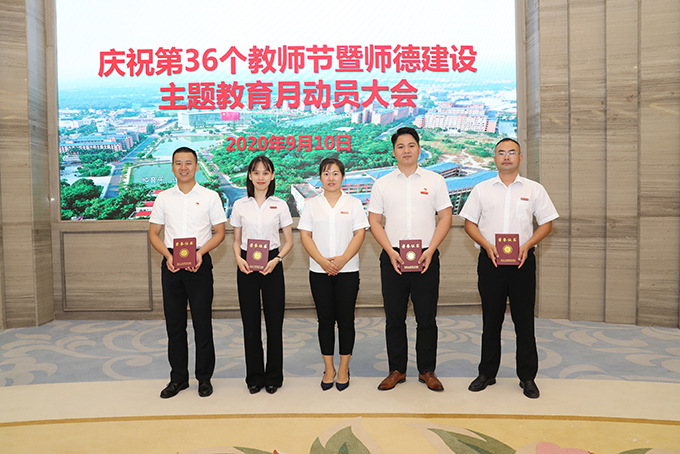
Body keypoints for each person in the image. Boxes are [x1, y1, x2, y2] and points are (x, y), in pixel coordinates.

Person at [459, 137, 558, 399]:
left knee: (524, 321)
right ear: (494, 158)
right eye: (501, 152)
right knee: (490, 320)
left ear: (520, 158)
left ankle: (527, 377)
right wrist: (486, 245)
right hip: (490, 262)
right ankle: (487, 373)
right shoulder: (481, 189)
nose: (506, 156)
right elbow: (469, 223)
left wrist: (527, 245)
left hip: (522, 262)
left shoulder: (534, 189)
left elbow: (547, 223)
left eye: (512, 152)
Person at [368, 127, 453, 392]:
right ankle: (397, 370)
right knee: (394, 318)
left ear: (419, 148)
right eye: (401, 146)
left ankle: (427, 370)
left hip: (426, 255)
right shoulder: (382, 183)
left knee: (426, 318)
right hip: (392, 256)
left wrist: (431, 250)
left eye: (411, 145)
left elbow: (446, 217)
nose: (406, 150)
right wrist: (390, 251)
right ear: (394, 151)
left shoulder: (435, 180)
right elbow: (374, 221)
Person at [149, 146, 227, 399]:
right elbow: (153, 233)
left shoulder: (210, 197)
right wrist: (168, 256)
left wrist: (201, 253)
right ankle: (178, 379)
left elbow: (220, 233)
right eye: (178, 163)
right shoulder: (163, 198)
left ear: (196, 166)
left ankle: (204, 378)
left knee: (202, 323)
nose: (183, 167)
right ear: (172, 167)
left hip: (199, 262)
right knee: (175, 324)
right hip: (172, 262)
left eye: (188, 163)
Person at [298, 157, 369, 391]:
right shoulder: (311, 204)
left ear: (343, 177)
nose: (331, 178)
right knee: (325, 321)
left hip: (348, 270)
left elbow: (360, 234)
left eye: (335, 173)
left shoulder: (354, 203)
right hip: (319, 271)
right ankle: (329, 368)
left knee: (346, 320)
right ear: (320, 177)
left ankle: (344, 368)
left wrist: (342, 259)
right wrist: (322, 261)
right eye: (326, 173)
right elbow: (305, 235)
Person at [230, 155, 293, 395]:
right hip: (246, 264)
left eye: (265, 172)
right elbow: (236, 240)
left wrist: (277, 260)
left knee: (274, 322)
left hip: (273, 263)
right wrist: (238, 258)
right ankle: (254, 377)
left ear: (272, 176)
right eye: (256, 172)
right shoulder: (240, 205)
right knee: (250, 322)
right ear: (249, 176)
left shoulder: (280, 204)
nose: (261, 177)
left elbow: (289, 241)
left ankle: (274, 376)